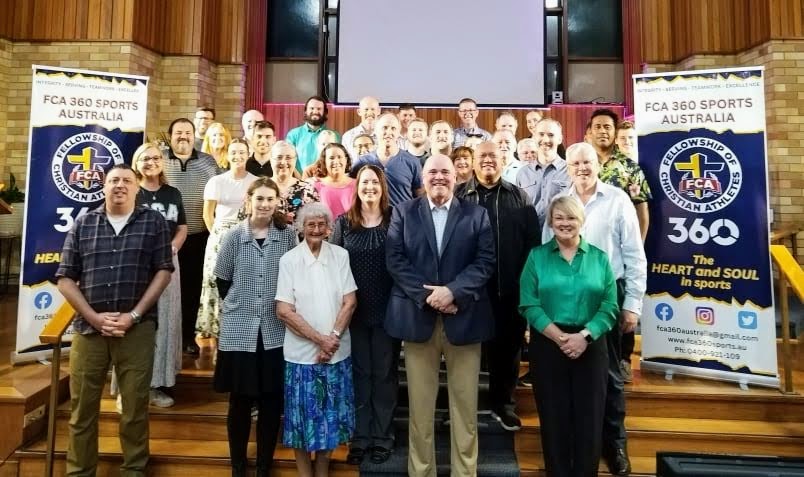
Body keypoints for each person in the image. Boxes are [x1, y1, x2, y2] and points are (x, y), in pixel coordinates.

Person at [56, 164, 173, 476]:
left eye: (126, 181)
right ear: (103, 187)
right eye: (113, 180)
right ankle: (80, 472)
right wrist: (93, 318)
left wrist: (133, 316)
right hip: (89, 331)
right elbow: (65, 278)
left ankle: (133, 469)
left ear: (137, 188)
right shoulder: (84, 223)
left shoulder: (154, 222)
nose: (120, 185)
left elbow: (164, 270)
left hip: (137, 329)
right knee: (82, 411)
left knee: (134, 408)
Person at [385, 154, 495, 476]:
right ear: (423, 177)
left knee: (465, 408)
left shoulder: (477, 215)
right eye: (432, 171)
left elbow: (485, 261)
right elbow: (395, 260)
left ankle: (465, 472)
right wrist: (431, 296)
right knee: (421, 409)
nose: (439, 177)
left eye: (445, 172)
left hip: (464, 319)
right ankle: (421, 472)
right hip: (418, 320)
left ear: (456, 177)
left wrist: (453, 291)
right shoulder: (403, 213)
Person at [546, 142, 647, 476]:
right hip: (563, 300)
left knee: (611, 377)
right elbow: (547, 251)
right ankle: (580, 443)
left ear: (597, 165)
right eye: (575, 163)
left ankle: (615, 443)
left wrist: (632, 305)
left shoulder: (617, 200)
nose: (582, 168)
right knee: (574, 379)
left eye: (587, 162)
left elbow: (634, 254)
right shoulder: (559, 202)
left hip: (608, 297)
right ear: (568, 168)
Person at [520, 195, 618, 477]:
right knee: (554, 417)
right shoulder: (537, 257)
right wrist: (560, 337)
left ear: (581, 221)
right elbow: (528, 302)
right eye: (559, 218)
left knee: (589, 419)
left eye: (571, 218)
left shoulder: (599, 258)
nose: (565, 223)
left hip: (590, 345)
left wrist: (584, 336)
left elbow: (610, 306)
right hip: (549, 345)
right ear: (551, 222)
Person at [213, 177, 297, 477]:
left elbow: (294, 277)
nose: (264, 204)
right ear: (248, 200)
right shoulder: (234, 236)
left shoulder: (288, 237)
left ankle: (264, 464)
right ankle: (238, 464)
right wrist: (243, 304)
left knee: (272, 400)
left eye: (269, 199)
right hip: (239, 331)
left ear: (277, 202)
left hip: (275, 331)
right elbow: (222, 279)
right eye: (258, 199)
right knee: (239, 401)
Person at [455, 141, 540, 431]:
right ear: (473, 161)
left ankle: (503, 404)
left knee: (508, 351)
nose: (488, 160)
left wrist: (526, 288)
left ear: (503, 159)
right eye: (482, 156)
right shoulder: (458, 196)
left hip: (509, 290)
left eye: (493, 155)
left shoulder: (520, 197)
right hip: (468, 292)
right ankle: (460, 408)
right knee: (465, 352)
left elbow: (532, 246)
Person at [276, 202, 358, 477]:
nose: (316, 229)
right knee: (301, 424)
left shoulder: (341, 255)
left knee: (329, 421)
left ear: (329, 228)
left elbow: (349, 301)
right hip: (302, 357)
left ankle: (322, 472)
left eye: (321, 224)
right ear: (300, 228)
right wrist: (320, 341)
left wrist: (332, 338)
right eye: (310, 224)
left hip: (336, 353)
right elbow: (284, 311)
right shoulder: (289, 261)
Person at [112, 143, 187, 410]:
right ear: (136, 162)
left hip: (166, 265)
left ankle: (155, 386)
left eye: (156, 157)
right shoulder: (131, 190)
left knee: (163, 325)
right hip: (135, 265)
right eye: (145, 158)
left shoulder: (173, 193)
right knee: (135, 323)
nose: (151, 162)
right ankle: (126, 389)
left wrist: (174, 246)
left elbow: (182, 227)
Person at [330, 165, 396, 466]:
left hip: (388, 311)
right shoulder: (344, 223)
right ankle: (359, 436)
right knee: (358, 375)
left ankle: (382, 437)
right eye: (364, 182)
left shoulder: (396, 219)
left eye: (374, 182)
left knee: (383, 375)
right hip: (353, 312)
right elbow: (332, 269)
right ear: (356, 188)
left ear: (382, 187)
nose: (369, 187)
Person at [162, 117, 220, 356]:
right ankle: (167, 339)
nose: (183, 136)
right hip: (166, 239)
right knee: (166, 291)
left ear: (194, 135)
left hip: (198, 237)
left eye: (188, 132)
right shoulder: (160, 159)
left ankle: (187, 338)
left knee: (192, 290)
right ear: (170, 135)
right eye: (178, 132)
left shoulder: (208, 162)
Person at [197, 138, 258, 340]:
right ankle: (214, 327)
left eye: (242, 152)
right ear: (227, 154)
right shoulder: (216, 181)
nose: (238, 156)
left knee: (242, 281)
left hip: (246, 235)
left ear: (248, 154)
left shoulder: (255, 182)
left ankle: (240, 325)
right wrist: (217, 237)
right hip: (220, 236)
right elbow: (208, 215)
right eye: (233, 152)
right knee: (215, 281)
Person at [589, 109, 651, 241]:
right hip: (586, 243)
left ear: (614, 133)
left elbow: (641, 211)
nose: (602, 131)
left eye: (607, 127)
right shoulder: (581, 163)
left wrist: (637, 249)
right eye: (597, 127)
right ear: (590, 131)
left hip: (618, 242)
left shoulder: (630, 167)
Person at [350, 113, 423, 206]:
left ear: (398, 132)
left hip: (403, 219)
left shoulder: (412, 162)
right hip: (372, 219)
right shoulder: (362, 162)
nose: (388, 132)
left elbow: (419, 197)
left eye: (393, 128)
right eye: (384, 127)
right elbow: (350, 191)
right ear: (375, 130)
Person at [516, 118, 570, 228]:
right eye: (541, 134)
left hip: (559, 238)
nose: (545, 140)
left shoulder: (570, 170)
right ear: (534, 137)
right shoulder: (523, 173)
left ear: (560, 139)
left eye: (551, 135)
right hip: (530, 238)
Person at [269, 141, 319, 223]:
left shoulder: (308, 189)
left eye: (288, 158)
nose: (284, 162)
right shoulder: (260, 188)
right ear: (271, 160)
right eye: (279, 157)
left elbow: (317, 221)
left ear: (295, 160)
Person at [286, 95, 339, 172]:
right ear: (305, 111)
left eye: (319, 109)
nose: (315, 112)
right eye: (312, 108)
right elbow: (288, 159)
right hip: (299, 180)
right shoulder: (293, 134)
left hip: (325, 181)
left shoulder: (335, 136)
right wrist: (301, 180)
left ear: (325, 112)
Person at [310, 143, 356, 219]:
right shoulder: (314, 185)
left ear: (346, 159)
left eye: (339, 157)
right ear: (324, 162)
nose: (336, 161)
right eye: (331, 158)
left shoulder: (357, 185)